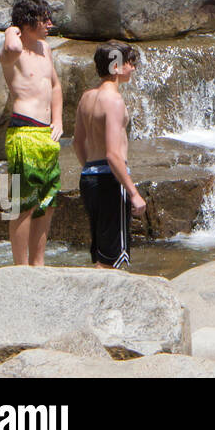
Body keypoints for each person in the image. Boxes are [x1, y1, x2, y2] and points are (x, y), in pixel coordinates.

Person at [0, 0, 63, 265]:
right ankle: (20, 266)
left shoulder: (45, 49)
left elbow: (55, 86)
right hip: (24, 132)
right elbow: (12, 46)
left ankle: (39, 263)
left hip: (47, 134)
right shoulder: (12, 52)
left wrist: (58, 120)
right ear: (26, 23)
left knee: (46, 202)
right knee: (24, 203)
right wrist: (10, 29)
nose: (49, 23)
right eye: (43, 18)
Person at [73, 41, 146, 269]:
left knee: (100, 254)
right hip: (111, 182)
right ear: (116, 66)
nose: (133, 68)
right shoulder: (113, 101)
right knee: (113, 258)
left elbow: (77, 143)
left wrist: (92, 171)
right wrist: (133, 193)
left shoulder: (87, 98)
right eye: (129, 63)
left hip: (89, 178)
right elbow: (113, 154)